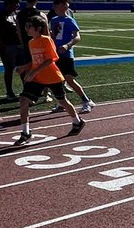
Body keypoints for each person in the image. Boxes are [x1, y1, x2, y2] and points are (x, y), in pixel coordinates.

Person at [15, 16, 85, 146]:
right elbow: (35, 61)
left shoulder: (46, 40)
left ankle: (77, 121)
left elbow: (50, 59)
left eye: (29, 27)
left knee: (62, 101)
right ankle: (25, 132)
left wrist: (34, 72)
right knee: (23, 100)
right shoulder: (31, 43)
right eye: (26, 27)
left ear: (38, 28)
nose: (27, 29)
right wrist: (24, 67)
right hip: (37, 79)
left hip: (52, 77)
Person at [49, 0, 95, 113]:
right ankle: (62, 103)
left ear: (64, 6)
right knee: (58, 81)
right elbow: (53, 36)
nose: (55, 7)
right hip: (56, 54)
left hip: (66, 55)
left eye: (58, 5)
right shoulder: (53, 20)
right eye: (55, 5)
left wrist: (67, 45)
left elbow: (77, 36)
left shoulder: (69, 20)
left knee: (69, 80)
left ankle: (86, 101)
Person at [0, 0, 22, 100]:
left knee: (22, 68)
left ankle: (26, 90)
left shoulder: (15, 14)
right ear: (9, 3)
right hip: (7, 46)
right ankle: (9, 92)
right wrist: (1, 46)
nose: (18, 5)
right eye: (15, 3)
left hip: (18, 45)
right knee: (9, 69)